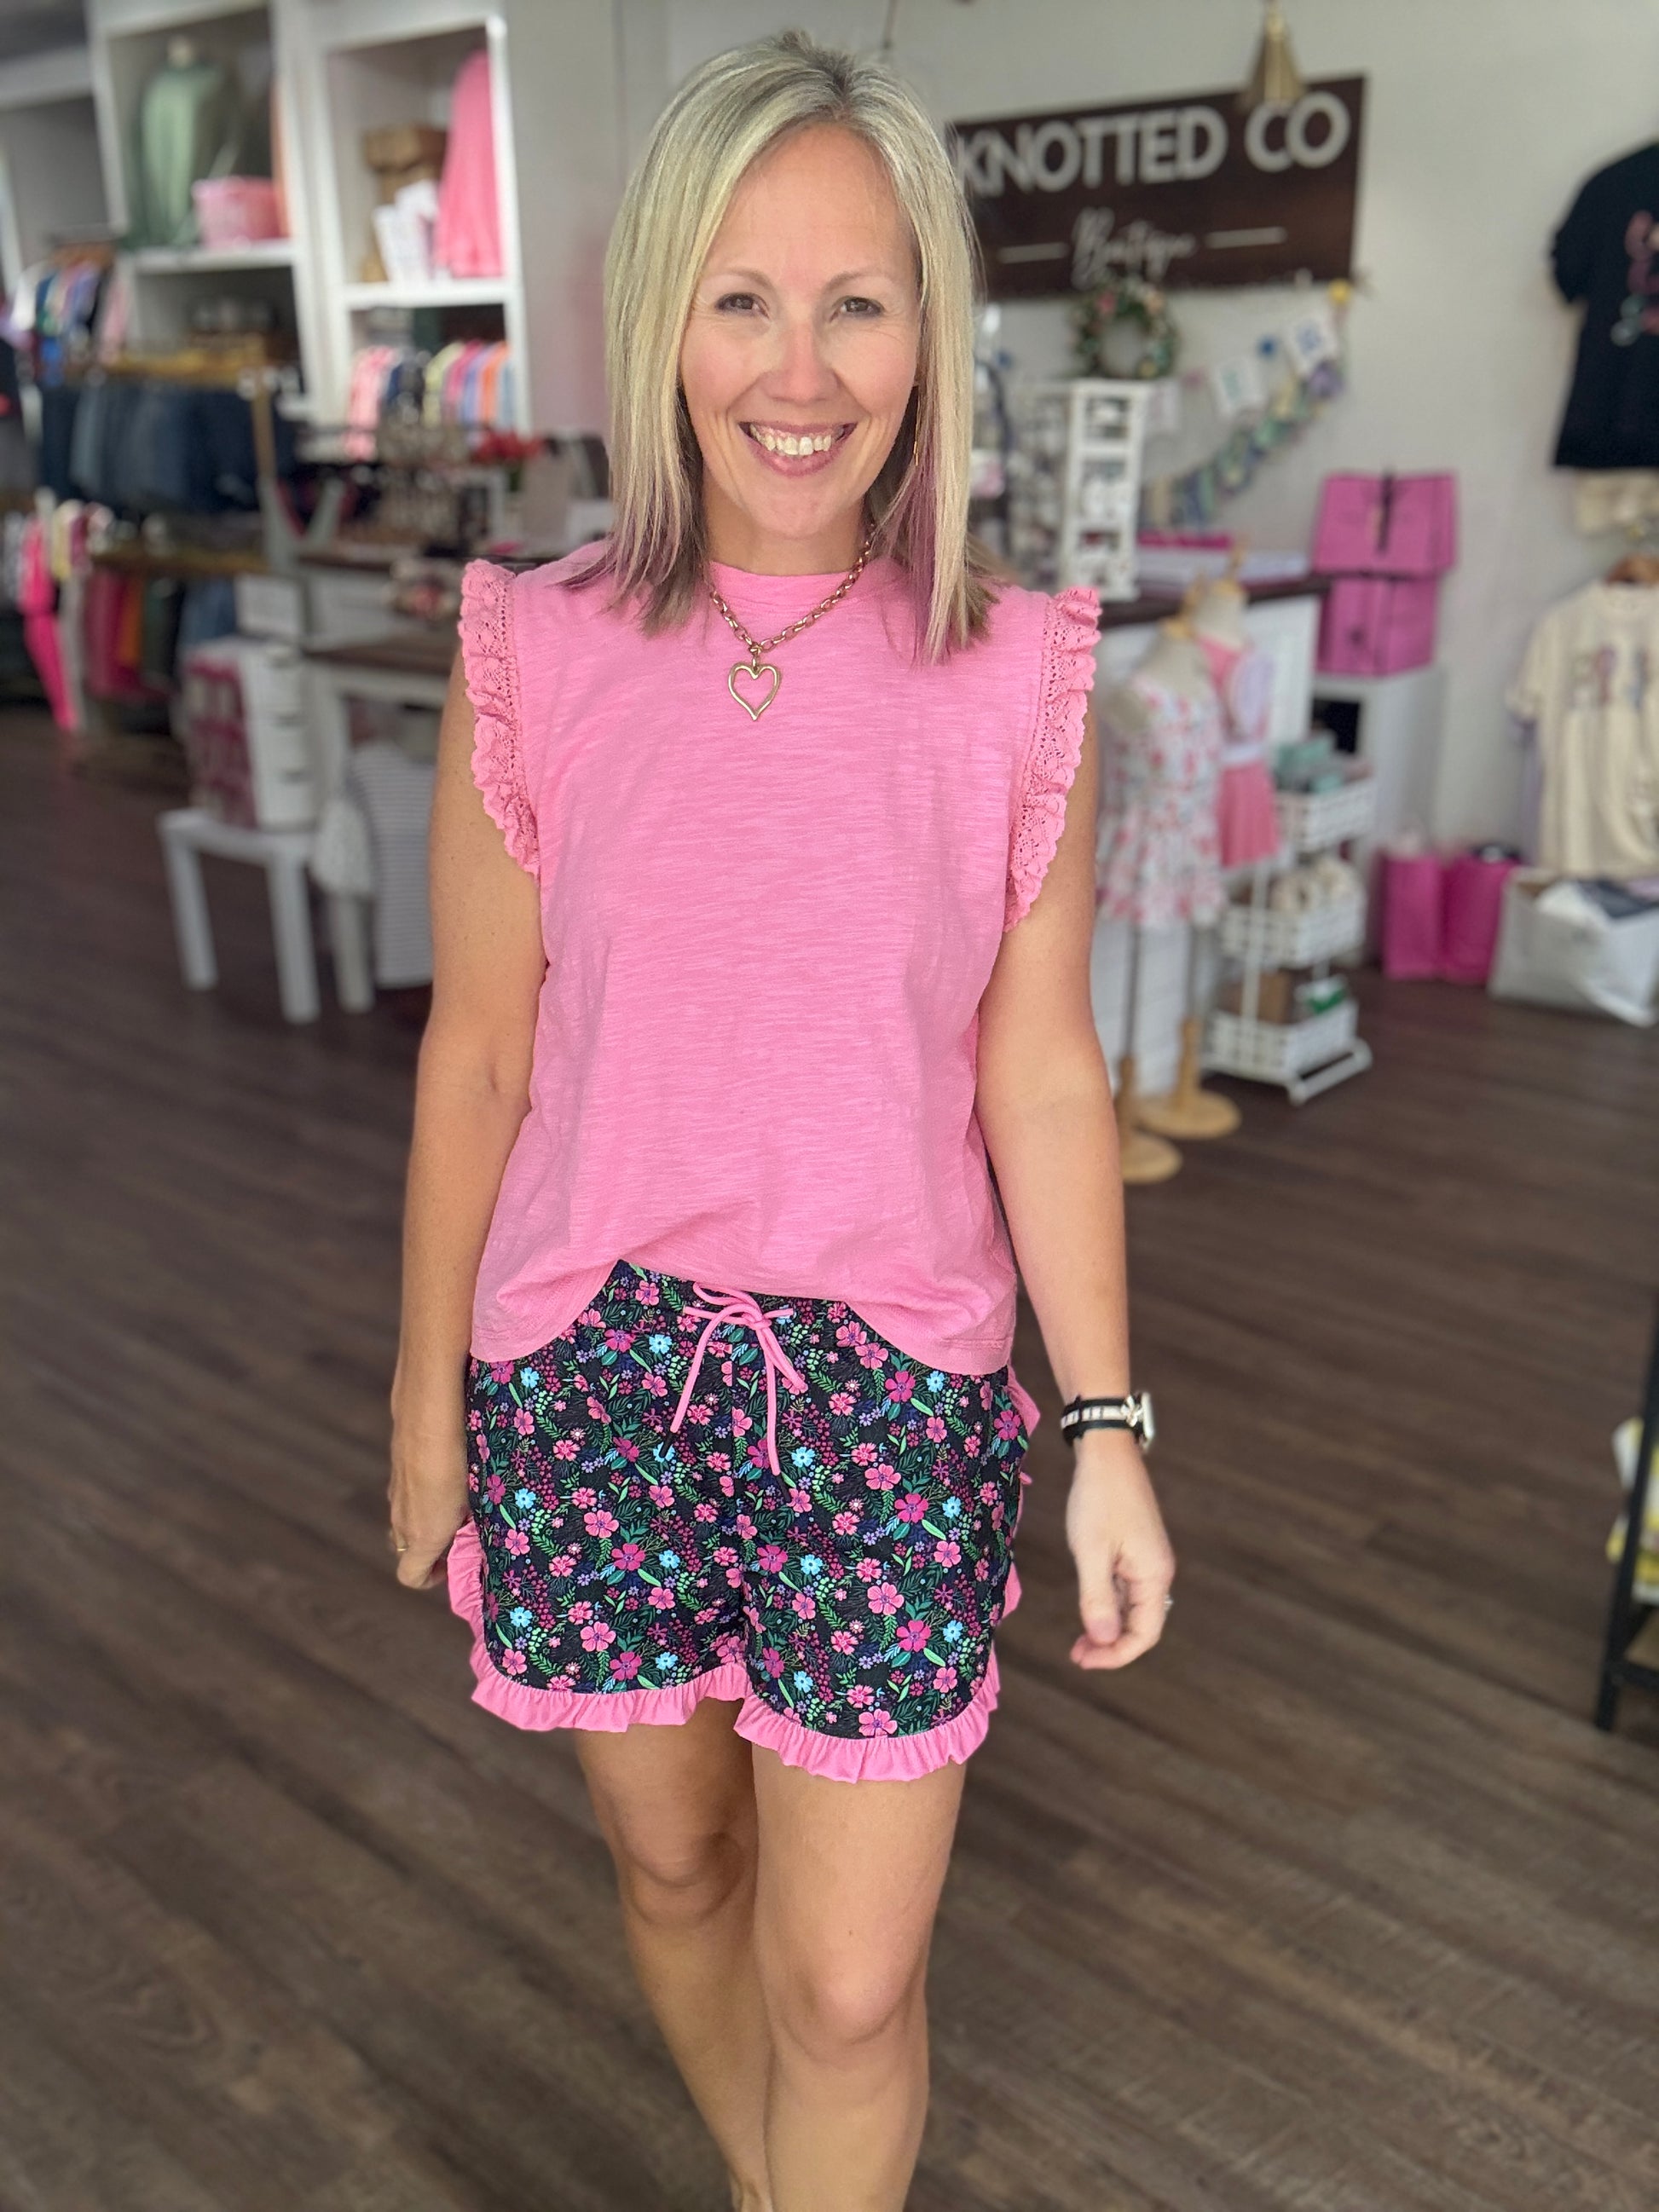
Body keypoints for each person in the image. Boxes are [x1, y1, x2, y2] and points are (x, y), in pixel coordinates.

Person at [390, 30, 1176, 2212]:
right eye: (742, 298)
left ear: (930, 329)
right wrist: (428, 1399)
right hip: (588, 1365)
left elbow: (1041, 1069)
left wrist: (1106, 1424)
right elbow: (477, 1055)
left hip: (890, 1386)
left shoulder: (1018, 672)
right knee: (674, 1867)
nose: (800, 369)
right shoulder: (532, 646)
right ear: (662, 318)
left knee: (846, 1979)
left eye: (857, 301)